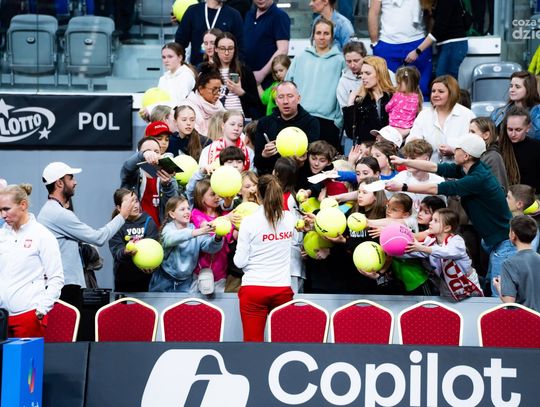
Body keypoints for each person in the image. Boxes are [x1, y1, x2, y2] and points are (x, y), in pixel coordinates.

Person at [386, 133, 513, 297]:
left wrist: (403, 186)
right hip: (493, 240)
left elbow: (436, 188)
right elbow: (435, 167)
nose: (454, 151)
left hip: (503, 242)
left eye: (457, 149)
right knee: (491, 285)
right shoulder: (468, 168)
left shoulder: (477, 178)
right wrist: (405, 162)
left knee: (499, 293)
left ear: (466, 155)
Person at [38, 162, 136, 311]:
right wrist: (122, 215)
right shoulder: (58, 213)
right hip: (65, 287)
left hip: (64, 284)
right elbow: (99, 238)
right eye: (71, 178)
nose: (75, 182)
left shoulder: (52, 211)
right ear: (59, 183)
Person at [234, 174, 295, 341]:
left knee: (253, 346)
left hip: (253, 289)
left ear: (258, 195)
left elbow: (239, 262)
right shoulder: (290, 218)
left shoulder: (249, 222)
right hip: (282, 288)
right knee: (283, 347)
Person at [1, 184, 64, 338]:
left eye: (6, 209)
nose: (3, 215)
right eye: (0, 210)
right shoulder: (2, 235)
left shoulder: (42, 235)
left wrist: (41, 309)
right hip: (2, 316)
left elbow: (56, 278)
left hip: (29, 315)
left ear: (23, 205)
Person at [285, 17, 345, 149]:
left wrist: (338, 121)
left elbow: (345, 93)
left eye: (326, 33)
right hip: (300, 117)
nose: (322, 37)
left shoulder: (340, 61)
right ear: (313, 35)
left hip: (328, 121)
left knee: (324, 159)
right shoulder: (300, 57)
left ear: (332, 36)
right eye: (318, 33)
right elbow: (287, 85)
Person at [149, 196, 224, 293]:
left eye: (188, 208)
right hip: (164, 279)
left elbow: (210, 247)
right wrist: (196, 232)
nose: (187, 212)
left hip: (186, 281)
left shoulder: (195, 228)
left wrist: (218, 237)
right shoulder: (168, 228)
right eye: (182, 209)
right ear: (172, 214)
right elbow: (171, 239)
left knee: (183, 303)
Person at [405, 208, 483, 300]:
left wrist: (422, 248)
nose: (430, 223)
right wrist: (396, 250)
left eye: (435, 221)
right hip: (446, 285)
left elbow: (447, 252)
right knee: (448, 308)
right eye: (431, 219)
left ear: (447, 228)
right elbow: (414, 251)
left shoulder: (457, 240)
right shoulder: (430, 241)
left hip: (467, 284)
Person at [254, 81, 320, 174]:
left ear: (298, 99)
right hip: (273, 176)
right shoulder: (264, 123)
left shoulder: (311, 122)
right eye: (281, 97)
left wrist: (302, 162)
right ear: (276, 101)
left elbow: (315, 160)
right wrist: (264, 155)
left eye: (290, 96)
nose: (285, 101)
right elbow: (257, 162)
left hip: (301, 176)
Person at [368, 0, 432, 96]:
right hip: (387, 43)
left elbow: (430, 10)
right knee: (387, 90)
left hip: (418, 41)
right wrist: (374, 43)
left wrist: (429, 39)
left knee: (422, 88)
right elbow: (373, 12)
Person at [407, 75, 475, 163]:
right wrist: (413, 142)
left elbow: (475, 147)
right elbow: (412, 139)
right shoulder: (424, 115)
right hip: (428, 169)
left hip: (459, 168)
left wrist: (454, 151)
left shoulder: (467, 115)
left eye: (441, 91)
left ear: (452, 93)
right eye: (433, 91)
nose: (435, 94)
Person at [120, 137, 179, 227]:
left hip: (160, 231)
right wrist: (144, 154)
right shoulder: (133, 175)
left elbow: (173, 207)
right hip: (135, 230)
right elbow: (127, 167)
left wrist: (167, 186)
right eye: (148, 151)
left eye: (156, 152)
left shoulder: (168, 177)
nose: (153, 155)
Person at [108, 188, 159, 292]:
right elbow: (116, 252)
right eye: (129, 203)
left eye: (136, 201)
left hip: (146, 280)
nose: (135, 206)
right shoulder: (116, 225)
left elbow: (154, 249)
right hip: (123, 280)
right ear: (119, 208)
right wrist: (125, 252)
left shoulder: (149, 222)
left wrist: (152, 266)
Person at [405, 0, 469, 81]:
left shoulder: (445, 2)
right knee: (445, 80)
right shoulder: (440, 3)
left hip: (453, 44)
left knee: (444, 80)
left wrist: (417, 51)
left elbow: (438, 30)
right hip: (450, 44)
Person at [175, 0, 244, 67]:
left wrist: (233, 69)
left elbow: (240, 47)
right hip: (197, 69)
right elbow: (180, 42)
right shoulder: (193, 11)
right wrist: (182, 66)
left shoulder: (233, 15)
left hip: (224, 69)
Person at [342, 56, 394, 144]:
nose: (363, 77)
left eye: (367, 73)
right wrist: (350, 104)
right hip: (367, 149)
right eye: (362, 73)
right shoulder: (360, 100)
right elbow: (351, 133)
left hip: (389, 148)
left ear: (380, 74)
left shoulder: (394, 98)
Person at [493, 215, 540, 312]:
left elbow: (509, 302)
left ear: (513, 234)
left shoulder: (508, 264)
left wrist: (499, 287)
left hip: (523, 319)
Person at [212, 32, 263, 119]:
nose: (226, 53)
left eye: (230, 48)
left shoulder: (245, 71)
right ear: (216, 49)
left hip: (241, 118)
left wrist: (241, 92)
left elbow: (256, 103)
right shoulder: (209, 71)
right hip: (217, 119)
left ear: (235, 49)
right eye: (222, 48)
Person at [243, 0, 290, 87]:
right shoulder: (248, 15)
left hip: (268, 83)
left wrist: (262, 73)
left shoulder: (279, 16)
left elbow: (283, 50)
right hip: (247, 80)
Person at [498, 106, 540, 191]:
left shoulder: (537, 148)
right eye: (510, 129)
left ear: (528, 128)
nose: (513, 134)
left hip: (532, 195)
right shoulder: (499, 148)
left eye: (518, 130)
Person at [490, 71, 540, 140]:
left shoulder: (538, 112)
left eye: (517, 87)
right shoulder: (498, 112)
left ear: (529, 89)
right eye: (511, 86)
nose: (512, 90)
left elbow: (535, 137)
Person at [185, 65, 226, 137]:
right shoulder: (188, 107)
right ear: (201, 89)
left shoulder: (219, 106)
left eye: (219, 89)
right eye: (214, 89)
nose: (218, 94)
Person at [469, 116, 508, 191]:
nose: (469, 135)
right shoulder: (476, 154)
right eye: (469, 131)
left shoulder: (492, 157)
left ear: (486, 135)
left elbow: (499, 188)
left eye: (473, 132)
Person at [385, 66, 423, 137]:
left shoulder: (398, 95)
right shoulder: (418, 96)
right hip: (409, 128)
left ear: (408, 83)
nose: (397, 85)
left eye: (399, 83)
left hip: (394, 126)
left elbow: (387, 108)